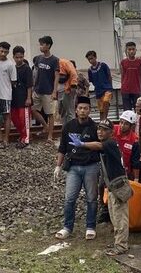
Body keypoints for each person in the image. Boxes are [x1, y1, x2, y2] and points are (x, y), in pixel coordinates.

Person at [70, 119, 132, 255]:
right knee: (115, 216)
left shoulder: (110, 143)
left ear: (111, 132)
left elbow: (97, 146)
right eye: (99, 129)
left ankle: (121, 245)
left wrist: (82, 144)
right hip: (112, 185)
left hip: (117, 185)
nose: (100, 131)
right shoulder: (108, 143)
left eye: (104, 129)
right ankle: (119, 242)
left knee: (120, 217)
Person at [54, 96, 100, 240]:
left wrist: (84, 145)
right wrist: (58, 166)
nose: (82, 111)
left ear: (90, 110)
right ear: (76, 110)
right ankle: (67, 227)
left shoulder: (95, 127)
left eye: (85, 108)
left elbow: (101, 146)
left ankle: (90, 226)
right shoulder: (68, 126)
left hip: (91, 166)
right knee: (69, 198)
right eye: (80, 108)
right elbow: (62, 148)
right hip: (73, 167)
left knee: (92, 198)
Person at [32, 36, 60, 142]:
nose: (40, 46)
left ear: (48, 45)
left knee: (50, 114)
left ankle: (50, 136)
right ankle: (45, 126)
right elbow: (35, 73)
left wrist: (54, 91)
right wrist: (33, 86)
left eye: (42, 44)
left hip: (48, 91)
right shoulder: (38, 58)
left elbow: (57, 76)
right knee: (33, 110)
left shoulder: (55, 60)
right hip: (37, 90)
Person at [11, 46, 33, 149]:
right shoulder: (12, 68)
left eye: (21, 57)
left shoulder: (27, 69)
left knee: (24, 119)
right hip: (14, 98)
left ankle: (26, 138)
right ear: (13, 57)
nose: (19, 59)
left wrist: (28, 98)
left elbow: (29, 85)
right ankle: (22, 135)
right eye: (17, 57)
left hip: (24, 98)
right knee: (15, 119)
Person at [113, 110, 141, 180]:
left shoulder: (134, 140)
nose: (122, 125)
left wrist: (136, 178)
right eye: (121, 122)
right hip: (111, 170)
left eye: (126, 124)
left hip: (126, 173)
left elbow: (135, 161)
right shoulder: (112, 130)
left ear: (132, 126)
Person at [86, 51, 113, 121]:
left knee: (106, 101)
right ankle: (101, 122)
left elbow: (109, 76)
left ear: (95, 57)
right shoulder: (90, 70)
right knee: (101, 109)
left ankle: (105, 119)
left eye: (92, 58)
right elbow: (91, 80)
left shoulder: (103, 65)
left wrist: (111, 87)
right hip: (98, 90)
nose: (90, 61)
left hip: (107, 88)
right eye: (89, 59)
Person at [120, 41, 141, 111]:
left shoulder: (140, 62)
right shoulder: (122, 62)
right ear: (126, 50)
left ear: (136, 50)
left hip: (136, 90)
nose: (131, 51)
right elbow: (122, 75)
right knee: (127, 111)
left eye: (133, 49)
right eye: (129, 49)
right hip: (125, 90)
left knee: (138, 110)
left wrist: (140, 87)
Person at [58, 58, 78, 125]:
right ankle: (65, 130)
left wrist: (73, 86)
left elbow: (73, 73)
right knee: (62, 113)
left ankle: (73, 130)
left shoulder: (64, 62)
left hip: (67, 90)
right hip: (58, 92)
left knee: (70, 112)